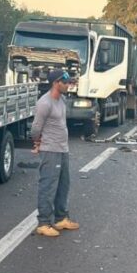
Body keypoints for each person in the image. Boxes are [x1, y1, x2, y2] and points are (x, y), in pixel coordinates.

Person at [30, 69, 80, 237]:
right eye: (64, 81)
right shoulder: (45, 103)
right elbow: (36, 128)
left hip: (62, 148)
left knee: (63, 185)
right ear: (55, 83)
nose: (68, 84)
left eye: (68, 81)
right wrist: (38, 142)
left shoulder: (62, 100)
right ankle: (43, 223)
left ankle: (60, 218)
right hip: (50, 149)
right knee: (48, 186)